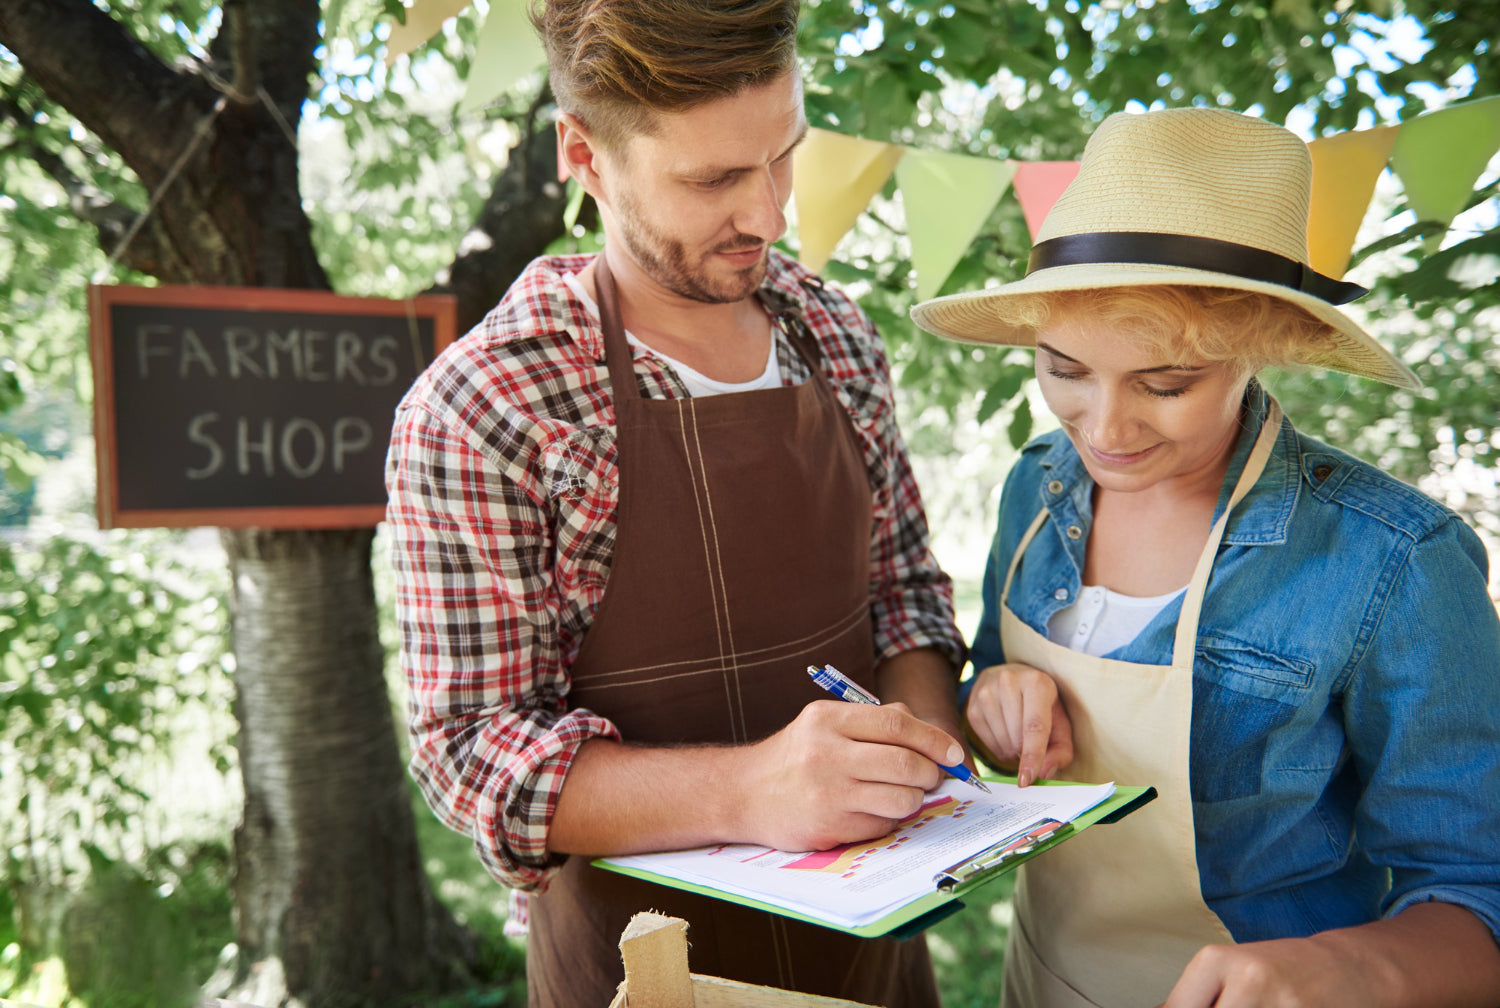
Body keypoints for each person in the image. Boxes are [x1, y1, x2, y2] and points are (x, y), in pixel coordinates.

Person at [385, 0, 969, 1004]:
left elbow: (903, 593)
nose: (770, 215)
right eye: (714, 180)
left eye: (784, 155)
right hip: (639, 970)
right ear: (584, 155)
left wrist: (928, 760)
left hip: (875, 959)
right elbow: (474, 756)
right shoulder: (489, 406)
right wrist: (752, 791)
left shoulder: (836, 335)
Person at [910, 106, 1500, 1008]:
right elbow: (991, 689)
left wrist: (1349, 969)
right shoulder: (1037, 487)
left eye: (1164, 384)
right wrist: (992, 699)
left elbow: (1475, 889)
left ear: (1257, 352)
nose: (1104, 430)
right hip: (1041, 977)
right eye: (1065, 370)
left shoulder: (1395, 560)